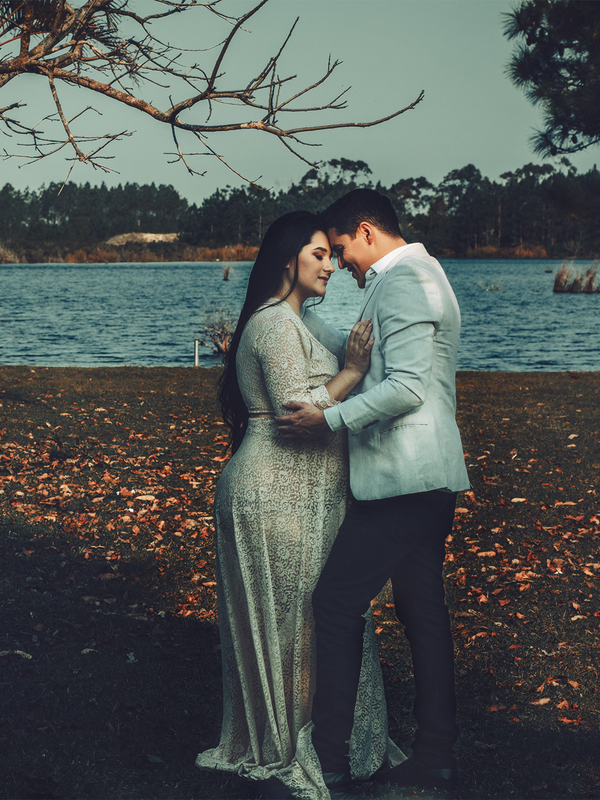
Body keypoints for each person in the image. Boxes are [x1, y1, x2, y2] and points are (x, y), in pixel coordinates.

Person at [196, 211, 402, 800]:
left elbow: (363, 356)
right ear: (288, 259)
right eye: (319, 255)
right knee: (293, 622)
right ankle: (292, 744)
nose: (330, 265)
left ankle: (332, 739)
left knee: (316, 618)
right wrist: (353, 373)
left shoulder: (302, 321)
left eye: (333, 255)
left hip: (309, 491)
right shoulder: (272, 325)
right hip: (274, 490)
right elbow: (296, 411)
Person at [277, 189, 471, 797]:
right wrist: (292, 312)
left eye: (341, 250)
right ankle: (436, 758)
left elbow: (408, 387)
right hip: (424, 478)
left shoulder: (407, 279)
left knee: (335, 604)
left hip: (405, 481)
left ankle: (332, 761)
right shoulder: (413, 275)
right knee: (421, 612)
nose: (341, 264)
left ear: (365, 231)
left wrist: (328, 419)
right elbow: (376, 362)